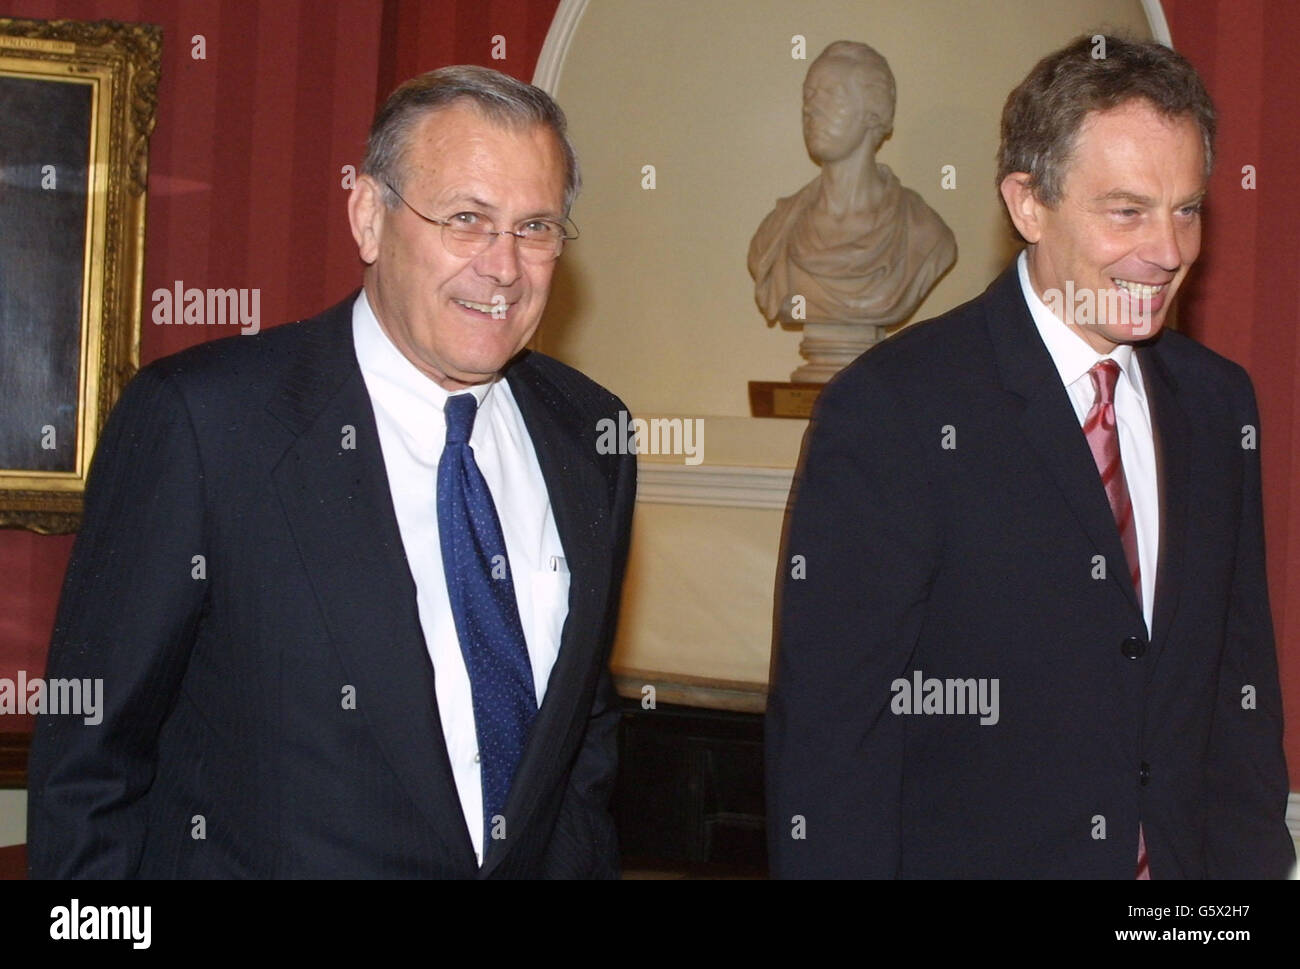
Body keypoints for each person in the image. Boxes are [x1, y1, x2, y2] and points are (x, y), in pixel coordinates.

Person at [27, 65, 636, 879]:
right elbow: (90, 766)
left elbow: (581, 739)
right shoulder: (206, 423)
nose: (504, 267)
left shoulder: (592, 433)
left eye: (535, 227)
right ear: (369, 216)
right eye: (466, 219)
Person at [766, 34, 1294, 879]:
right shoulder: (892, 410)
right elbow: (832, 741)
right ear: (1027, 203)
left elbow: (1239, 704)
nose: (1168, 249)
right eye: (1127, 210)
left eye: (1188, 208)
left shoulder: (1216, 401)